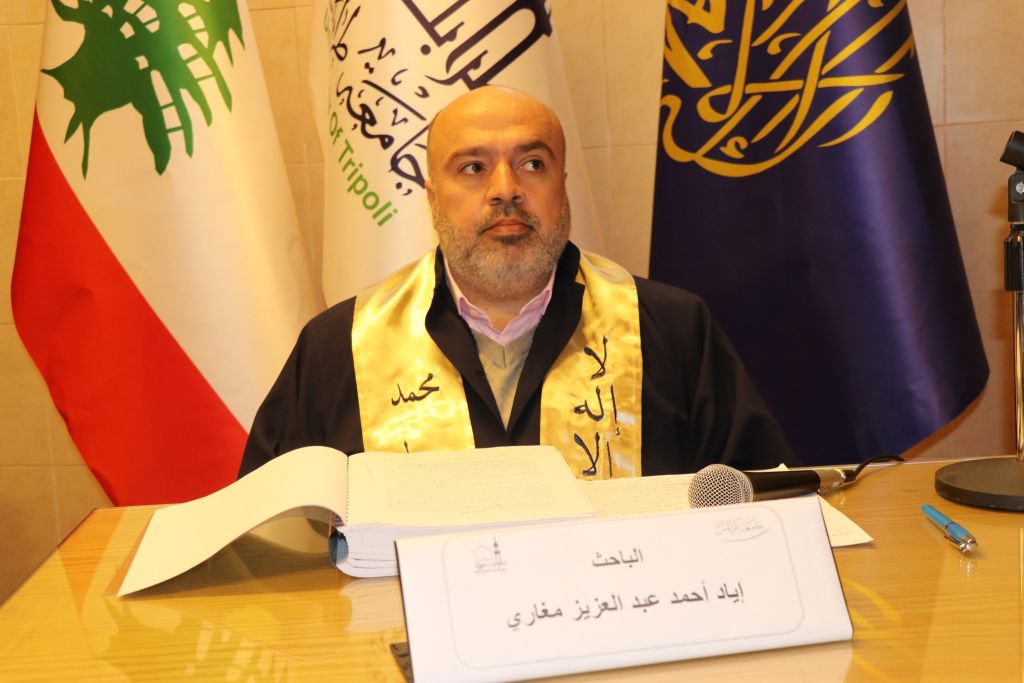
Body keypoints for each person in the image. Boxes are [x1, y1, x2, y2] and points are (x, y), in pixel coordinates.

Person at [239, 86, 794, 479]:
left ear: (562, 186)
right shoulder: (339, 347)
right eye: (473, 168)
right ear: (433, 199)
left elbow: (761, 507)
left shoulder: (671, 330)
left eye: (531, 164)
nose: (505, 189)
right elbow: (272, 540)